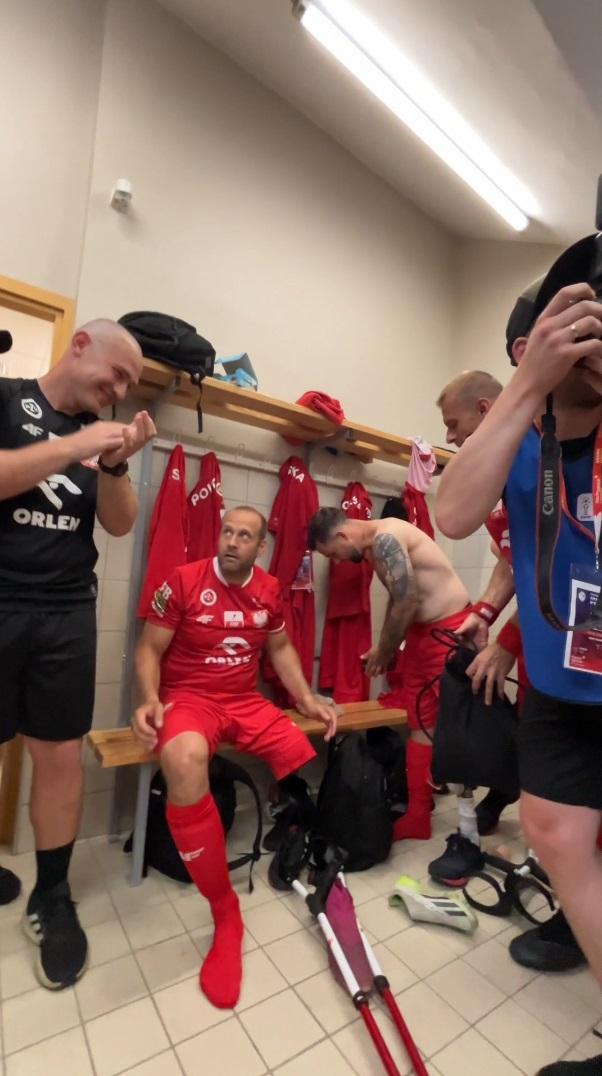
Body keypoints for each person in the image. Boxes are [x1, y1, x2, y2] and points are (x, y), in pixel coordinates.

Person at [437, 265, 602, 1076]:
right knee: (556, 834)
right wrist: (528, 386)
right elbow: (454, 512)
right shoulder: (518, 433)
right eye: (583, 323)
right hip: (562, 688)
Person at [0, 318, 155, 989]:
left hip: (66, 614)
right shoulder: (8, 398)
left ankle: (52, 895)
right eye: (117, 374)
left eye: (129, 384)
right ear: (81, 345)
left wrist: (113, 463)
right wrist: (75, 446)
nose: (119, 391)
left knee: (59, 757)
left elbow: (119, 522)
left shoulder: (101, 437)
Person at [132, 506, 337, 1010]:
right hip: (190, 699)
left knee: (303, 748)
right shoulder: (184, 581)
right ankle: (225, 909)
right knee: (183, 759)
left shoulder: (269, 589)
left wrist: (306, 697)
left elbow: (281, 648)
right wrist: (149, 699)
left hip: (244, 701)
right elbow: (149, 649)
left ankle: (301, 840)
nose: (232, 541)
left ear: (260, 547)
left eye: (244, 536)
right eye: (227, 532)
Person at [438, 367, 586, 973]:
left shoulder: (551, 447)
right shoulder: (500, 465)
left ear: (484, 409)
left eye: (454, 425)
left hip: (578, 646)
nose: (449, 438)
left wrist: (508, 640)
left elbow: (571, 568)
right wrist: (485, 612)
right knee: (550, 799)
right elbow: (515, 553)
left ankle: (577, 920)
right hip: (554, 655)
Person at [308, 508, 481, 864]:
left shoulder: (387, 537)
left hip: (451, 631)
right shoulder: (373, 548)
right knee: (420, 723)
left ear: (342, 536)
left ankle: (469, 827)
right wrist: (384, 648)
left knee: (457, 728)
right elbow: (399, 602)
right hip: (421, 636)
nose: (337, 561)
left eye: (333, 554)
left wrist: (384, 651)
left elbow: (407, 600)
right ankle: (418, 816)